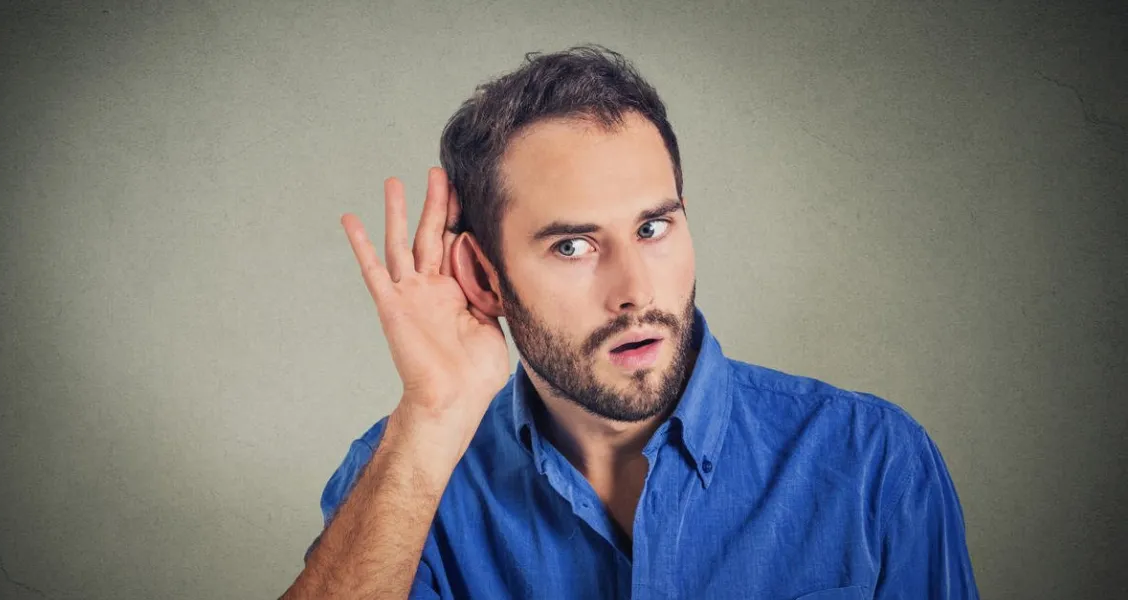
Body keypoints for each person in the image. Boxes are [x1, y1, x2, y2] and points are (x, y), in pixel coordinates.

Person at [280, 45, 979, 600]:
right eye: (572, 245)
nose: (635, 291)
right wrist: (434, 417)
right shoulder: (406, 478)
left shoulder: (871, 461)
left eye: (653, 227)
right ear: (484, 278)